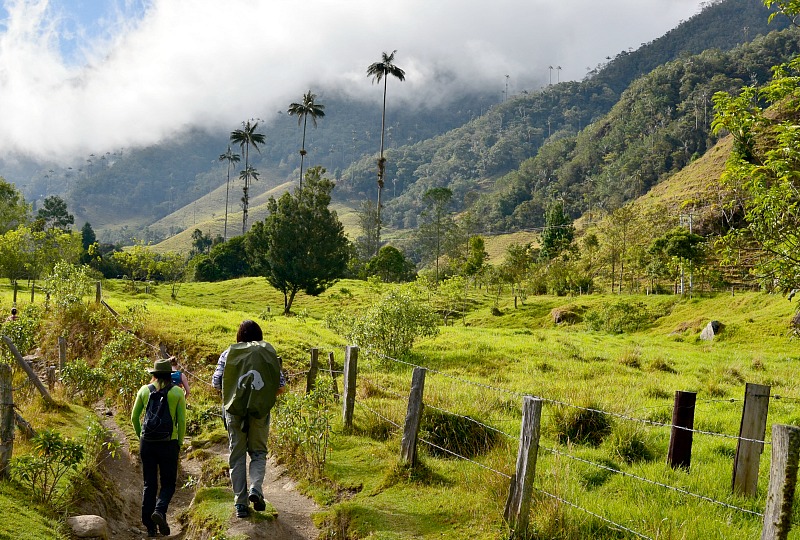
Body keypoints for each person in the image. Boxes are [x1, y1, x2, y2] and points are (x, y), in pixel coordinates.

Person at [212, 320, 285, 518]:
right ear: (259, 335)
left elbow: (216, 383)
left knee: (236, 456)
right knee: (259, 453)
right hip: (259, 412)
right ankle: (256, 489)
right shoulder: (267, 353)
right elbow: (280, 387)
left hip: (234, 412)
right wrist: (260, 398)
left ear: (239, 335)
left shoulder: (228, 353)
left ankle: (240, 504)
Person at [131, 358, 187, 537]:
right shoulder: (177, 392)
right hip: (168, 443)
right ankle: (160, 511)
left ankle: (150, 527)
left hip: (147, 443)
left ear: (153, 375)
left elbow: (134, 417)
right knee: (169, 483)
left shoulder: (143, 391)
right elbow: (182, 421)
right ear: (170, 375)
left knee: (149, 484)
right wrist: (178, 442)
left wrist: (141, 436)